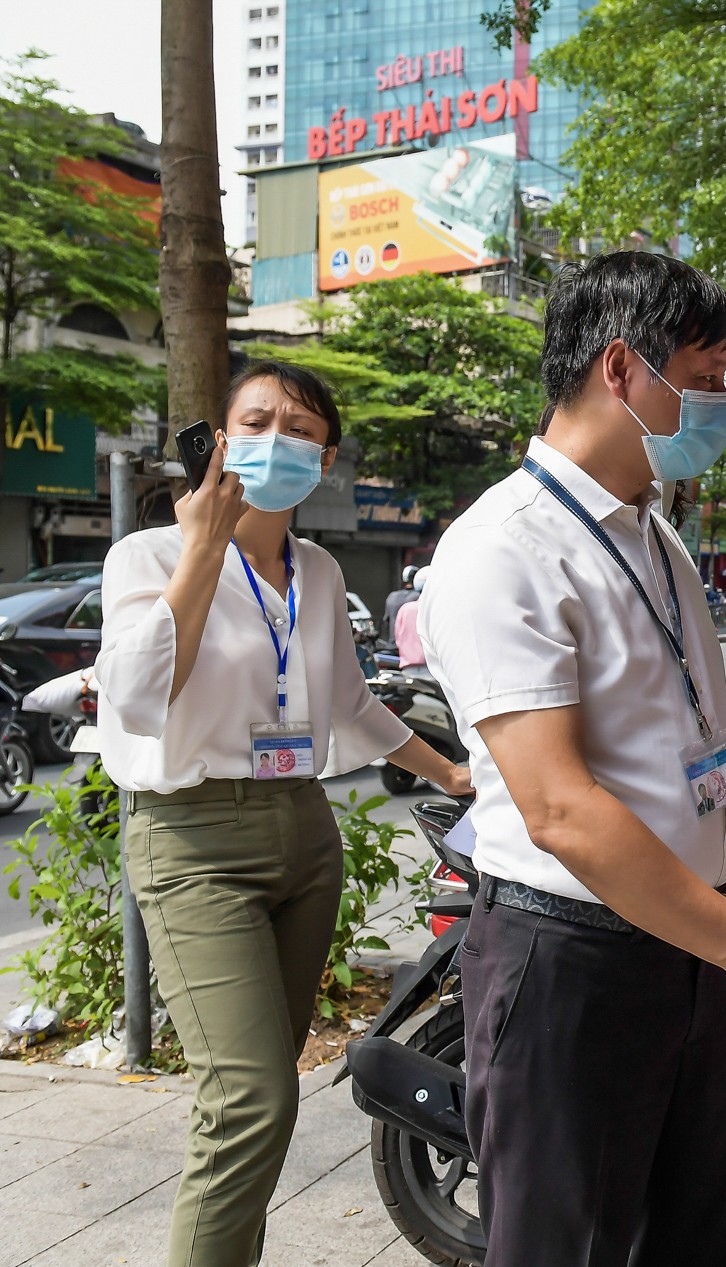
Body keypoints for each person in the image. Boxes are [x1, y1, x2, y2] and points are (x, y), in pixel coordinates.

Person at [419, 250, 726, 1267]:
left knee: (683, 1235)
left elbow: (646, 736)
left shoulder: (653, 535)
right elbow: (561, 810)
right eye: (706, 380)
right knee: (569, 1246)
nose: (720, 406)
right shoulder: (506, 548)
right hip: (574, 960)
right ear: (621, 370)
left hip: (680, 941)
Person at [94, 361, 473, 1267]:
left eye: (299, 428)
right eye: (255, 420)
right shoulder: (144, 557)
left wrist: (451, 774)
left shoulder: (320, 567)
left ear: (326, 456)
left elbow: (348, 704)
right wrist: (200, 545)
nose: (276, 439)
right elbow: (142, 696)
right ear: (218, 440)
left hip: (304, 835)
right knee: (248, 1100)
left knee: (264, 1106)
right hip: (193, 840)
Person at [392, 565, 428, 669]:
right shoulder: (431, 609)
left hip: (405, 662)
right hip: (429, 666)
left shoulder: (401, 605)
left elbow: (397, 634)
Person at [382, 565, 419, 639]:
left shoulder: (392, 596)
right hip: (411, 645)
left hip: (392, 643)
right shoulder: (419, 596)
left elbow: (386, 620)